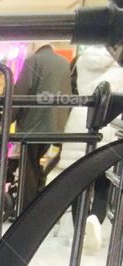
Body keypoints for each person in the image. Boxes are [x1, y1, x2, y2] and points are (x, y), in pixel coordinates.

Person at [62, 46, 123, 251]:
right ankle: (95, 220)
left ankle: (79, 232)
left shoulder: (83, 60)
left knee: (77, 182)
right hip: (110, 121)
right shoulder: (119, 63)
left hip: (81, 118)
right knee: (103, 183)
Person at [13, 44, 71, 213]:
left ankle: (25, 211)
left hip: (33, 125)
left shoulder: (33, 60)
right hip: (56, 126)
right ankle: (40, 203)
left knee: (28, 167)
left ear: (36, 48)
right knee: (41, 165)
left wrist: (8, 119)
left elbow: (20, 92)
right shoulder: (64, 63)